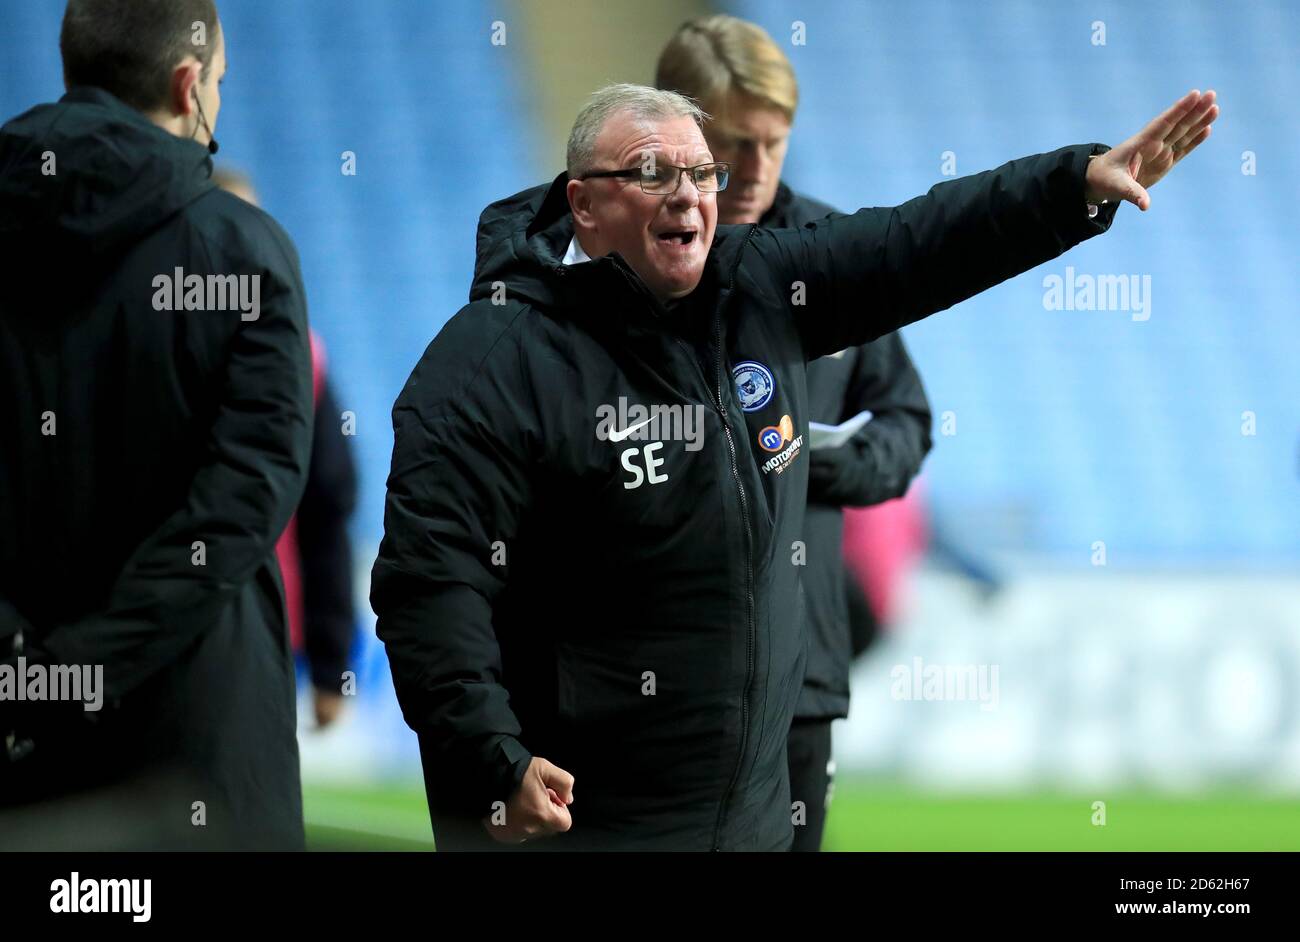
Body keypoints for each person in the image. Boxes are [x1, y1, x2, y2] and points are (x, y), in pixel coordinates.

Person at [372, 81, 1217, 851]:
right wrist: (492, 760)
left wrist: (1066, 190)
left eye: (700, 173)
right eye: (652, 171)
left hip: (751, 822)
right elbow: (428, 583)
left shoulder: (758, 289)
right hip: (579, 822)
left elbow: (911, 242)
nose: (688, 194)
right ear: (584, 205)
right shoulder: (492, 359)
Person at [0, 0, 312, 849]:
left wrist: (29, 672)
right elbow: (245, 500)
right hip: (202, 741)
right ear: (188, 83)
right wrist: (83, 668)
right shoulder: (244, 251)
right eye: (218, 80)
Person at [656, 14, 932, 851]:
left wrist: (815, 463)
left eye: (774, 143)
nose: (755, 169)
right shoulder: (621, 257)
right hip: (654, 671)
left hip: (799, 669)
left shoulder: (835, 256)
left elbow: (908, 419)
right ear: (681, 125)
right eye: (736, 142)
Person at [214, 167, 358, 730]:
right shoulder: (143, 345)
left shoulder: (305, 360)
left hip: (263, 635)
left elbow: (327, 510)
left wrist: (330, 664)